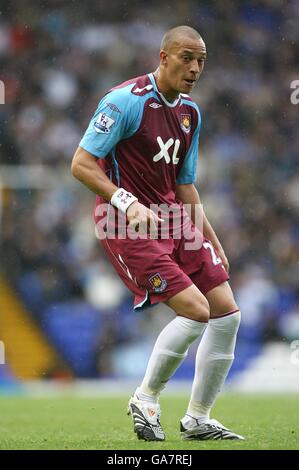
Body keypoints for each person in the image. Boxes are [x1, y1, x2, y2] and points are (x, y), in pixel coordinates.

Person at [71, 25, 244, 441]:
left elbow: (184, 184)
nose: (195, 68)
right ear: (163, 57)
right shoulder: (124, 101)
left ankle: (198, 418)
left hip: (174, 218)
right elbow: (80, 163)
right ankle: (145, 398)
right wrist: (125, 201)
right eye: (187, 57)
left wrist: (210, 236)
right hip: (125, 222)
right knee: (196, 310)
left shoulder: (190, 114)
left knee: (226, 313)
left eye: (201, 60)